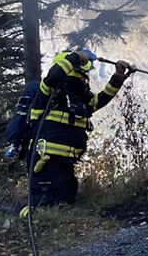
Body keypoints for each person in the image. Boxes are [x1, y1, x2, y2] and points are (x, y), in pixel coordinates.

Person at [22, 49, 130, 209]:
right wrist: (77, 57)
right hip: (46, 161)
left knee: (66, 200)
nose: (85, 79)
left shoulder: (78, 96)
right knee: (45, 205)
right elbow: (54, 75)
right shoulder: (49, 90)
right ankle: (25, 220)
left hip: (65, 161)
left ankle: (54, 225)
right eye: (82, 73)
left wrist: (118, 78)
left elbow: (96, 102)